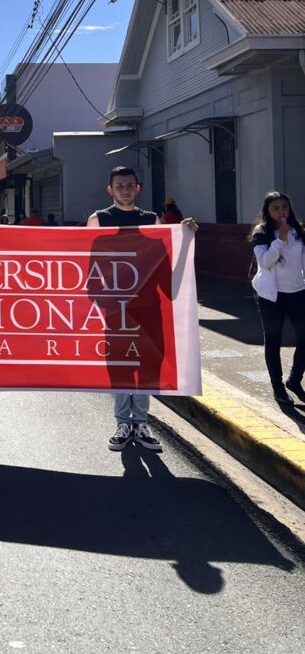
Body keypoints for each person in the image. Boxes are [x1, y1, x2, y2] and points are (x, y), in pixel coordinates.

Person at [87, 165, 198, 452]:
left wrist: (184, 237)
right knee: (121, 364)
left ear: (138, 189)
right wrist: (100, 299)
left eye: (129, 185)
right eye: (119, 186)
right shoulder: (98, 220)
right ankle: (123, 423)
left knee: (148, 363)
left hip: (148, 306)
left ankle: (142, 422)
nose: (125, 190)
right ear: (110, 190)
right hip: (115, 309)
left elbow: (163, 262)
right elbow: (90, 268)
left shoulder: (152, 220)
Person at [249, 191, 305, 405]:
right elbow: (265, 262)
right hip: (271, 295)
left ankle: (294, 380)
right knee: (273, 340)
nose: (281, 212)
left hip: (297, 291)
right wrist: (280, 239)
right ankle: (278, 387)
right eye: (276, 208)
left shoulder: (297, 230)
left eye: (285, 207)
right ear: (268, 211)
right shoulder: (262, 231)